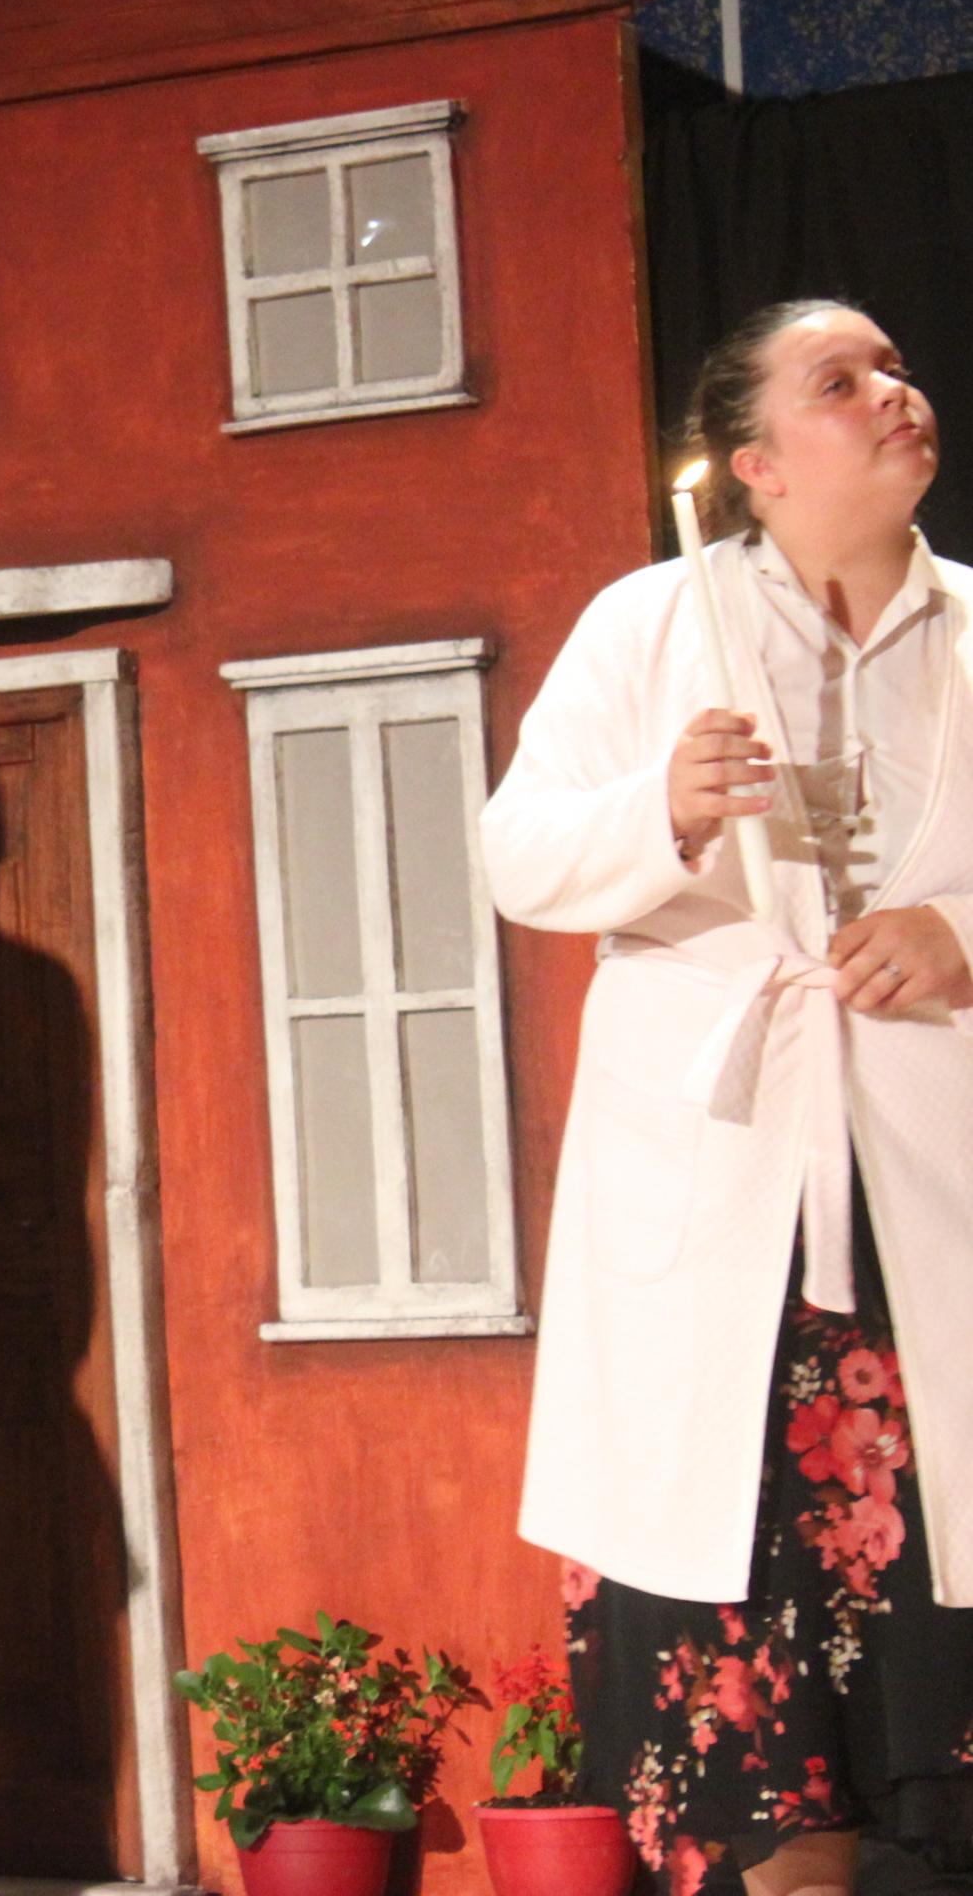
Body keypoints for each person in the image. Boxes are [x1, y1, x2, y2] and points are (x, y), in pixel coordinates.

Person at [484, 300, 973, 1896]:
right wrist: (665, 811)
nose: (894, 393)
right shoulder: (653, 626)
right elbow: (519, 855)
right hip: (725, 1241)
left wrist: (960, 938)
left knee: (932, 1703)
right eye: (842, 381)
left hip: (931, 1228)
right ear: (753, 463)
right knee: (763, 1750)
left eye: (895, 369)